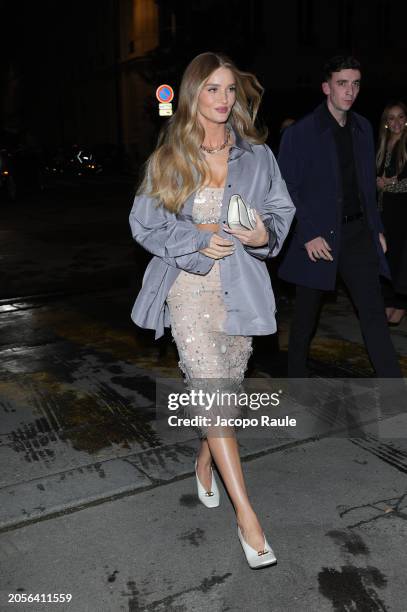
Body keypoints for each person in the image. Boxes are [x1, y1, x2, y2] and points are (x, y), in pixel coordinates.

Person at [129, 52, 295, 568]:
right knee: (211, 389)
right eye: (213, 90)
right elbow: (144, 224)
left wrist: (265, 233)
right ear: (194, 95)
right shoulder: (171, 157)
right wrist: (195, 237)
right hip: (190, 288)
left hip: (242, 287)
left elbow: (280, 211)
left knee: (225, 393)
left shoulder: (259, 157)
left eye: (229, 90)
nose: (224, 100)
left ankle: (205, 464)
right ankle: (247, 517)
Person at [278, 55, 402, 378]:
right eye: (342, 83)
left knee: (373, 314)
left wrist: (376, 229)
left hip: (358, 234)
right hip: (318, 238)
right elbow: (285, 190)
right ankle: (296, 386)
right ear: (326, 87)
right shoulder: (301, 133)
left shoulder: (362, 128)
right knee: (306, 319)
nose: (350, 91)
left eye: (356, 84)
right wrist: (307, 232)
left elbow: (364, 187)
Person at [376, 101, 407, 325]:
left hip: (403, 212)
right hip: (384, 211)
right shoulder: (382, 146)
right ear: (386, 123)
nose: (396, 122)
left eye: (400, 117)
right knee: (386, 256)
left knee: (401, 258)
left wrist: (387, 184)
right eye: (391, 118)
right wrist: (382, 183)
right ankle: (388, 300)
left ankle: (401, 303)